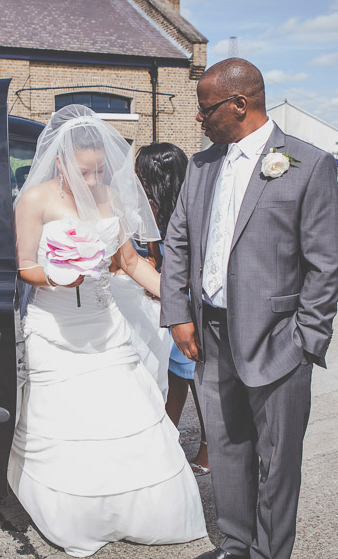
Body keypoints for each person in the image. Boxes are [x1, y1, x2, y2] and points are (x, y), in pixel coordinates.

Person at [160, 58, 338, 559]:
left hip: (277, 338)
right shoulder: (201, 166)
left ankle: (270, 552)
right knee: (225, 446)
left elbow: (326, 265)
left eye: (206, 109)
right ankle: (236, 544)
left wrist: (307, 337)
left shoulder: (308, 164)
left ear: (240, 104)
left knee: (277, 458)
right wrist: (179, 314)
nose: (199, 119)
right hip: (210, 335)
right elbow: (177, 242)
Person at [9, 105, 206, 557]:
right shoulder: (35, 199)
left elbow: (132, 262)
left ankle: (133, 510)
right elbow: (26, 267)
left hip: (104, 324)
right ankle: (78, 513)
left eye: (100, 170)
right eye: (85, 171)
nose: (95, 180)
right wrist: (58, 275)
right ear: (60, 162)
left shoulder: (111, 200)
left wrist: (181, 304)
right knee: (64, 420)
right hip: (54, 326)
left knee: (124, 413)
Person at [135, 142, 210, 477]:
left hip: (189, 306)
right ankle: (169, 435)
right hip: (160, 305)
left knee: (197, 379)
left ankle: (211, 447)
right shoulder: (148, 210)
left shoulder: (193, 210)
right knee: (174, 374)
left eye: (141, 174)